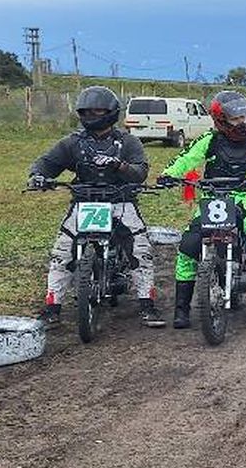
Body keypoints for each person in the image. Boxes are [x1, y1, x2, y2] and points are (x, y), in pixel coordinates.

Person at [27, 86, 164, 328]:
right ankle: (52, 307)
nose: (92, 115)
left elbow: (140, 172)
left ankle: (147, 304)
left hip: (120, 202)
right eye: (87, 111)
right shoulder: (73, 143)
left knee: (141, 250)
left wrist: (120, 167)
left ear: (111, 112)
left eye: (98, 110)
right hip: (84, 202)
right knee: (61, 252)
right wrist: (38, 175)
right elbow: (48, 162)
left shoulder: (128, 142)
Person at [158, 90, 246, 328]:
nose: (241, 123)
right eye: (235, 119)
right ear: (221, 120)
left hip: (245, 202)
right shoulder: (209, 141)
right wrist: (169, 174)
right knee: (187, 247)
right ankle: (181, 310)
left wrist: (245, 204)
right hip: (212, 201)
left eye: (245, 118)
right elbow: (186, 159)